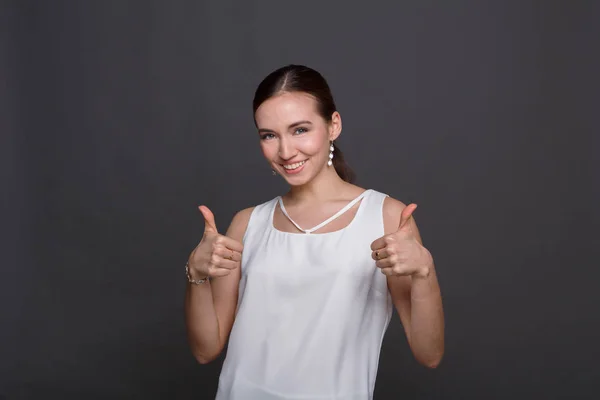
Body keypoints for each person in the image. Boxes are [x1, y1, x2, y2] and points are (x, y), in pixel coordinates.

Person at [184, 65, 445, 399]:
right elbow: (205, 349)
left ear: (333, 125)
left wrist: (424, 271)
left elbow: (430, 354)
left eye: (300, 130)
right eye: (269, 135)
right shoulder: (247, 223)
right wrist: (196, 273)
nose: (286, 151)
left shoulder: (387, 217)